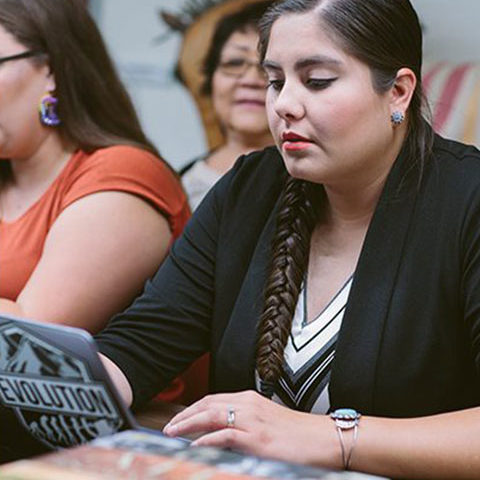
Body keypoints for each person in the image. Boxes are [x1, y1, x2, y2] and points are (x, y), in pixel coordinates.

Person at [96, 0, 480, 477]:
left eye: (317, 81)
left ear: (399, 92)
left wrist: (332, 437)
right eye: (275, 81)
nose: (283, 105)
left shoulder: (467, 201)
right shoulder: (249, 188)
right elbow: (143, 342)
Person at [163, 0, 274, 210]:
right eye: (234, 63)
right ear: (210, 80)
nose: (250, 80)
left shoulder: (320, 183)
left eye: (268, 67)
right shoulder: (180, 187)